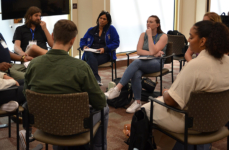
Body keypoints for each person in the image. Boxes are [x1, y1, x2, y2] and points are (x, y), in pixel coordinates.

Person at [145, 21, 229, 149]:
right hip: (219, 120)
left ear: (203, 41)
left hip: (193, 124)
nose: (188, 40)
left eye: (191, 36)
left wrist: (165, 92)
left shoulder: (195, 65)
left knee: (145, 110)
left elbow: (172, 101)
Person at [23, 19, 109, 150]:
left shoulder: (33, 65)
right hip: (75, 126)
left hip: (45, 123)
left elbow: (26, 94)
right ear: (73, 40)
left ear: (52, 36)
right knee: (105, 108)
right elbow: (99, 102)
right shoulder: (81, 67)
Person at [105, 15, 167, 113]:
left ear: (158, 24)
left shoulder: (163, 36)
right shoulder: (143, 35)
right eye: (147, 21)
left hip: (156, 63)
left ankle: (117, 89)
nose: (148, 23)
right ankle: (138, 102)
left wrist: (150, 37)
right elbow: (139, 51)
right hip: (144, 60)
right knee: (136, 72)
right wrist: (153, 53)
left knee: (136, 62)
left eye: (151, 22)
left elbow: (153, 49)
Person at [80, 11, 120, 86]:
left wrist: (105, 48)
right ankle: (96, 78)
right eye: (100, 18)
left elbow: (116, 42)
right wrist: (84, 46)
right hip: (90, 53)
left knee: (89, 63)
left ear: (108, 21)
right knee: (89, 53)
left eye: (104, 19)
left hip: (104, 54)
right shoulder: (91, 30)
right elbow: (83, 40)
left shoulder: (111, 29)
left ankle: (84, 80)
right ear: (98, 19)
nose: (102, 20)